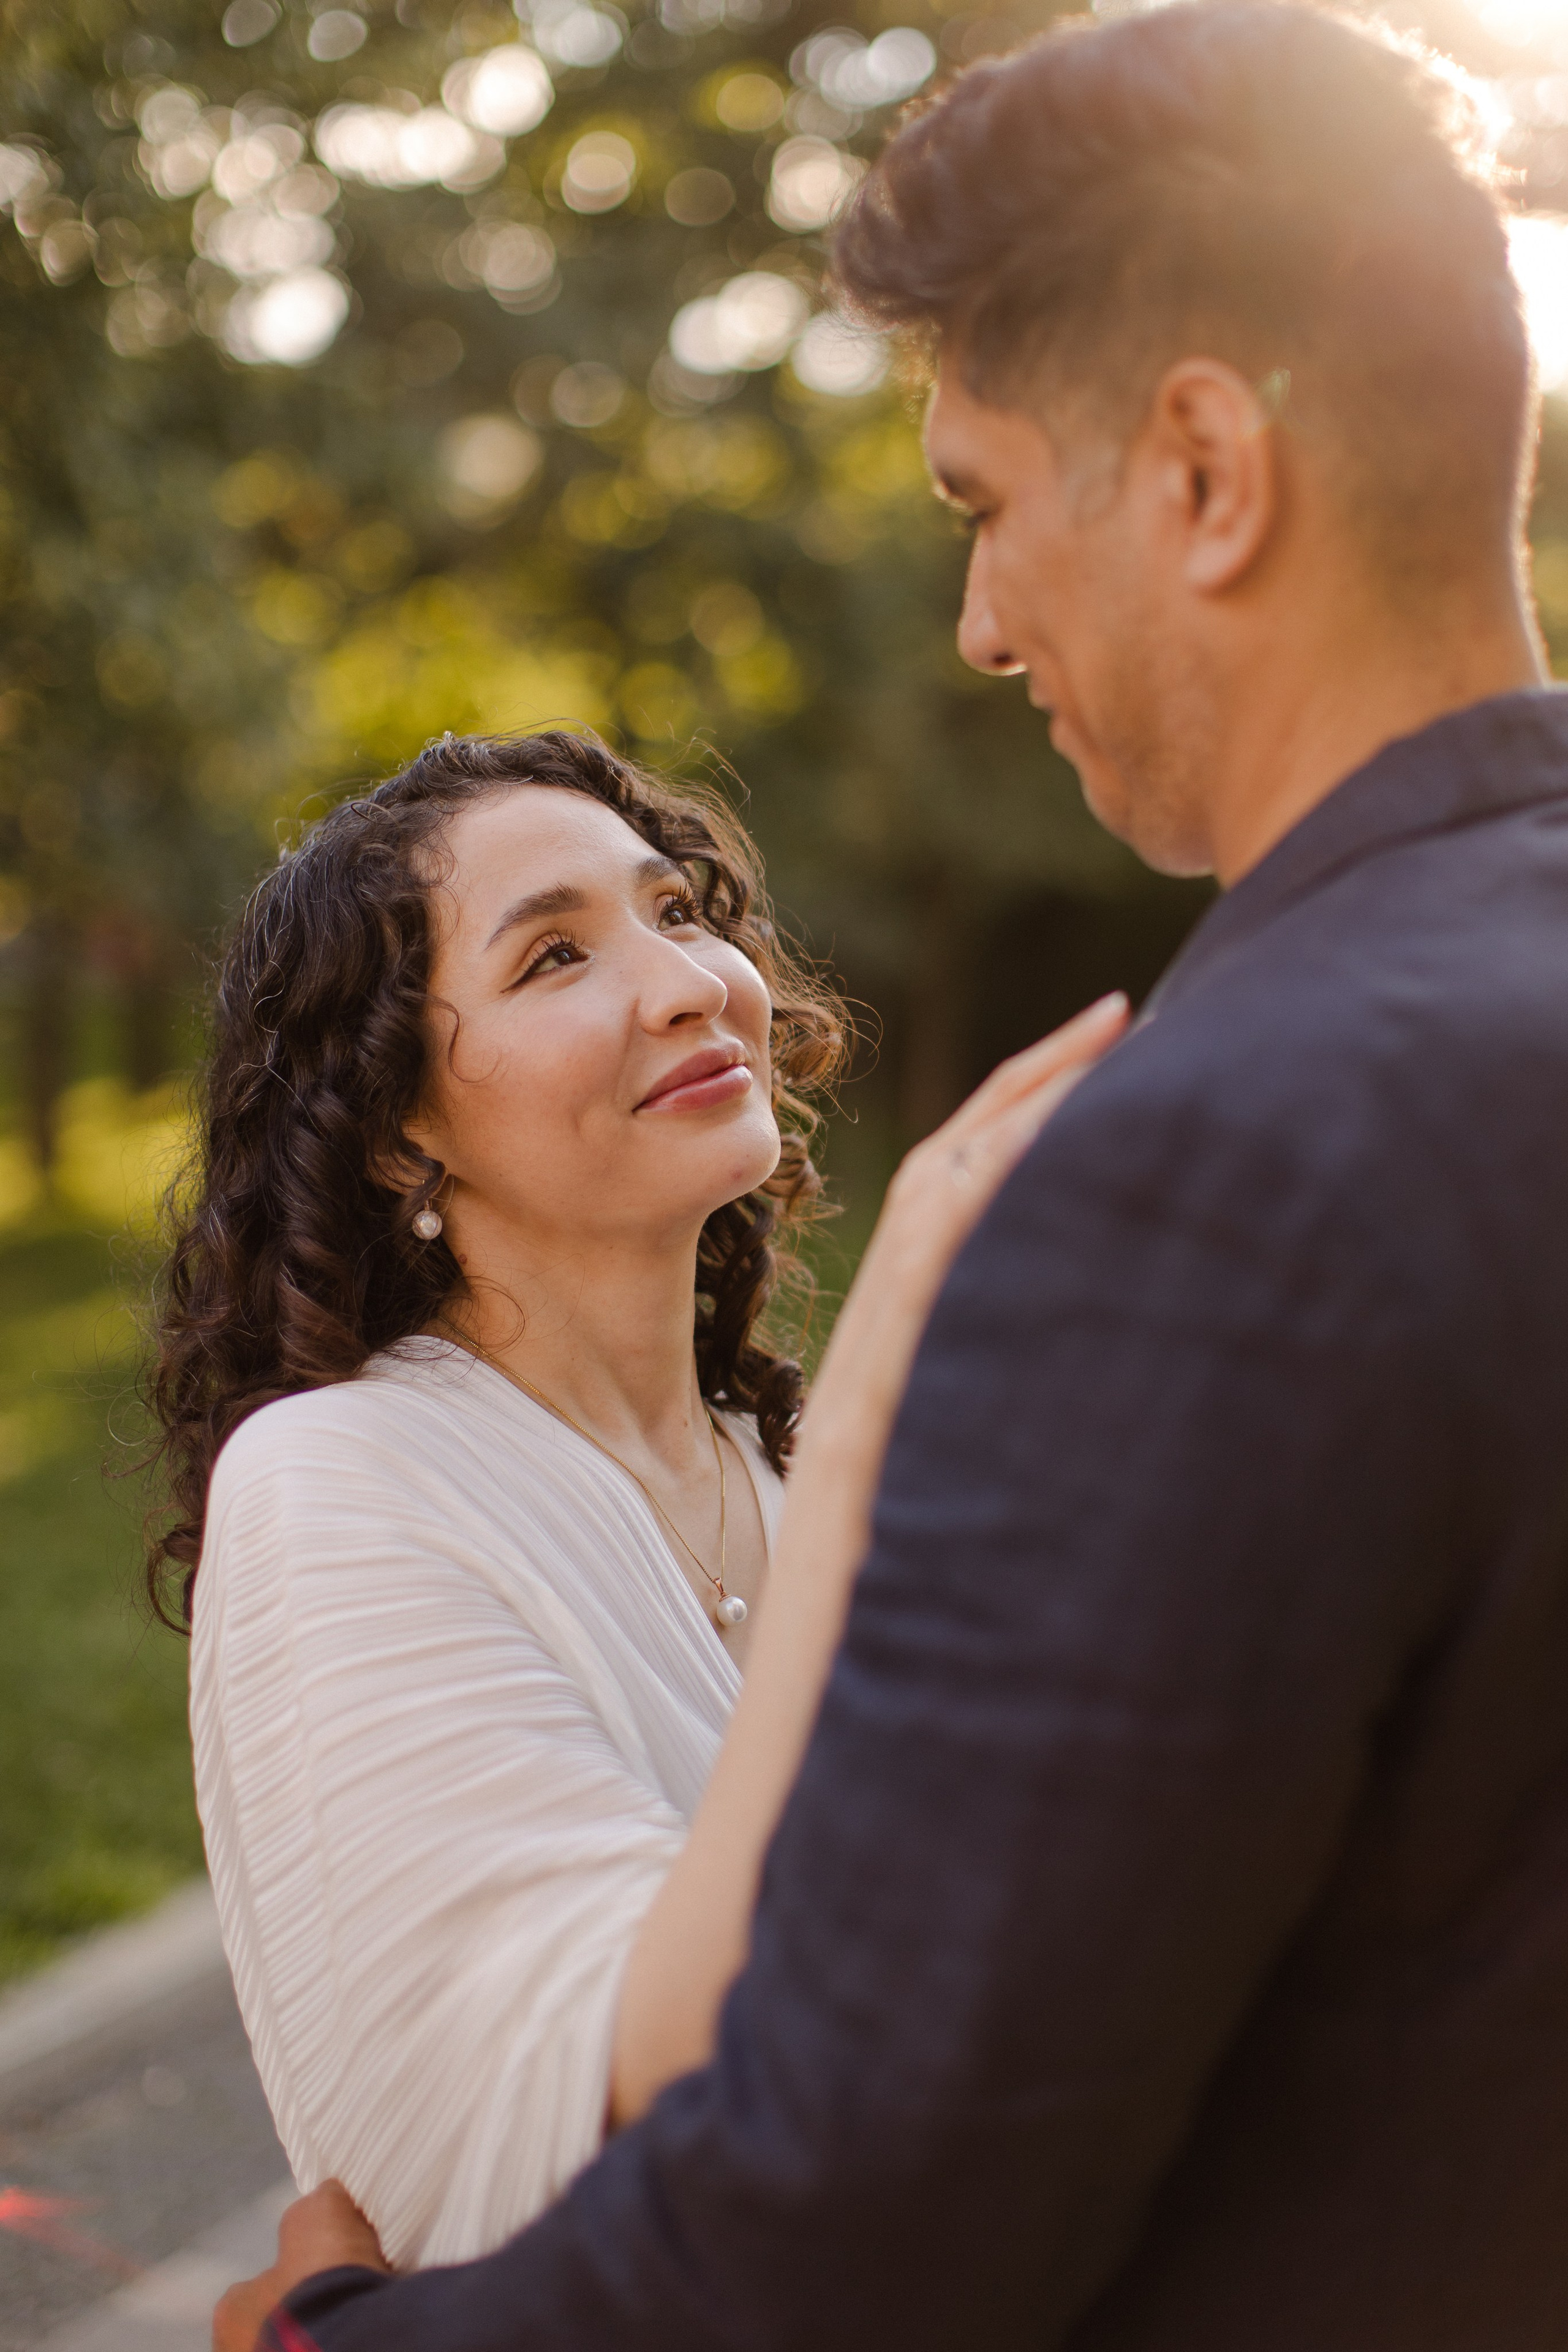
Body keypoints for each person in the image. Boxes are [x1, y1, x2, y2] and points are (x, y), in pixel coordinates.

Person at [223, 2, 1568, 2345]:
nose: (972, 622)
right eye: (554, 946)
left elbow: (867, 2211)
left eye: (977, 505)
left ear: (1202, 472)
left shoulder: (1203, 1186)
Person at [158, 728, 1119, 2274]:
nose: (688, 981)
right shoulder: (341, 1481)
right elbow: (612, 2131)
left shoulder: (796, 1480)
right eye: (552, 957)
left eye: (675, 914)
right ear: (397, 1118)